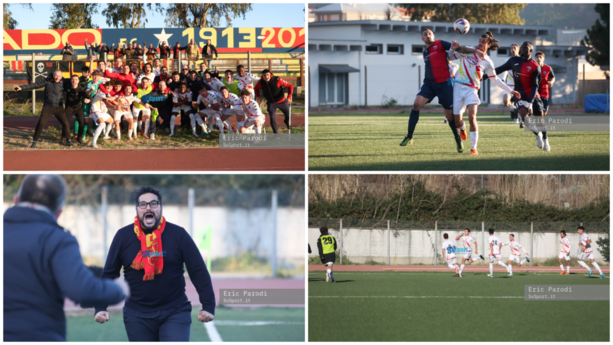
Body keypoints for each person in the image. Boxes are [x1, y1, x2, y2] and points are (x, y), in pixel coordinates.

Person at [4, 174, 129, 341]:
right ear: (58, 212)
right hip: (39, 336)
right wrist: (120, 290)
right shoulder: (57, 239)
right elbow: (82, 290)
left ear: (15, 199)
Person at [94, 186, 215, 341]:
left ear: (161, 208)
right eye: (143, 204)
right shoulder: (123, 236)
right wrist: (100, 307)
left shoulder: (179, 235)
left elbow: (198, 271)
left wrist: (208, 305)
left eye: (153, 203)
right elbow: (109, 274)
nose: (148, 207)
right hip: (136, 315)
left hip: (175, 311)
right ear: (137, 209)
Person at [400, 28, 484, 153]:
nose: (428, 35)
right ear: (422, 38)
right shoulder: (425, 52)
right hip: (429, 84)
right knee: (415, 105)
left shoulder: (440, 43)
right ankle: (409, 136)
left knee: (450, 117)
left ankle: (458, 140)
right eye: (425, 34)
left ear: (433, 36)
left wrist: (475, 51)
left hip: (445, 85)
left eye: (430, 33)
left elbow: (458, 48)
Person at [448, 31, 520, 155]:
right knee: (457, 122)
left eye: (483, 42)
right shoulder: (468, 50)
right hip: (458, 88)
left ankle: (473, 147)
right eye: (479, 41)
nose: (480, 43)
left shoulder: (487, 61)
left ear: (489, 45)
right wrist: (451, 49)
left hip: (472, 90)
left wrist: (510, 90)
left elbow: (495, 79)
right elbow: (450, 56)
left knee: (472, 117)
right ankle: (462, 128)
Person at [494, 41, 546, 151]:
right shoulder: (512, 60)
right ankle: (538, 134)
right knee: (525, 119)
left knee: (540, 120)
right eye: (521, 47)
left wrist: (530, 103)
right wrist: (483, 76)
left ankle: (545, 140)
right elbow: (500, 70)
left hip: (532, 95)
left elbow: (535, 86)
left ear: (530, 50)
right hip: (516, 90)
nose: (522, 49)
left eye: (524, 48)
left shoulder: (534, 66)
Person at [14, 70, 73, 148]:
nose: (57, 77)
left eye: (59, 76)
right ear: (53, 75)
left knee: (66, 123)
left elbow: (75, 80)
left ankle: (68, 140)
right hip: (48, 107)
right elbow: (35, 85)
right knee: (41, 123)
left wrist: (85, 78)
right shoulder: (47, 81)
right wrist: (21, 88)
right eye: (56, 75)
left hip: (59, 107)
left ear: (61, 76)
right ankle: (35, 141)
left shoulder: (64, 82)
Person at [255, 69, 294, 133]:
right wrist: (258, 97)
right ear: (262, 76)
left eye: (267, 74)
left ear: (270, 74)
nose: (266, 76)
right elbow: (256, 89)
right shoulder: (260, 82)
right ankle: (276, 134)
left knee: (289, 115)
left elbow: (290, 86)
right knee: (272, 117)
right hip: (271, 103)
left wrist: (289, 97)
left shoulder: (278, 80)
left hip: (282, 101)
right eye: (264, 75)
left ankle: (286, 121)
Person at [498, 43, 520, 124]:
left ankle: (516, 119)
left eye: (514, 48)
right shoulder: (507, 60)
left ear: (518, 50)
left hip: (518, 85)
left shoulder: (521, 59)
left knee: (518, 102)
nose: (513, 49)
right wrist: (503, 79)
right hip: (509, 85)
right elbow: (505, 70)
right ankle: (513, 110)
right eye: (511, 48)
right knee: (506, 101)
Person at [63, 74, 88, 145]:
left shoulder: (81, 89)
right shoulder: (67, 86)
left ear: (79, 81)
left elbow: (86, 95)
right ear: (70, 80)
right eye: (72, 79)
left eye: (76, 80)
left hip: (78, 108)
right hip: (69, 107)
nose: (74, 81)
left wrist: (88, 99)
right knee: (66, 122)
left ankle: (79, 138)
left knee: (82, 123)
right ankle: (64, 137)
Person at [534, 51, 555, 117]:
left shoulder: (548, 68)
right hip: (536, 92)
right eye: (537, 57)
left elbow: (553, 77)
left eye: (540, 57)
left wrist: (551, 82)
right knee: (537, 112)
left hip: (545, 92)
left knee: (544, 112)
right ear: (535, 59)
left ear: (543, 58)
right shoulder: (533, 68)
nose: (538, 58)